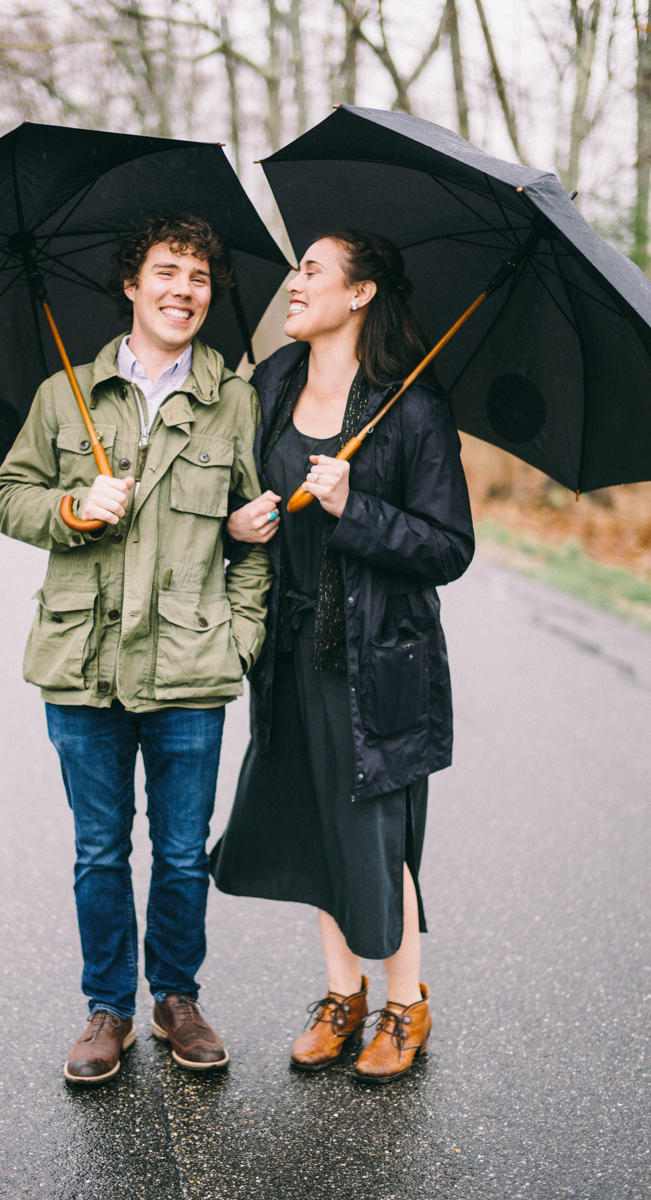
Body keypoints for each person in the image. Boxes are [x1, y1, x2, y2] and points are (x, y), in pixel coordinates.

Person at [0, 214, 271, 1084]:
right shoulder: (62, 392)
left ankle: (175, 998)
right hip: (81, 665)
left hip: (192, 665)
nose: (183, 289)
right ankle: (107, 1008)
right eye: (167, 271)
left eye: (198, 276)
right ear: (131, 283)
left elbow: (254, 535)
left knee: (185, 852)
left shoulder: (235, 399)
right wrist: (73, 509)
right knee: (99, 850)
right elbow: (8, 497)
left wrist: (240, 640)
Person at [210, 230, 474, 1083]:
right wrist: (240, 523)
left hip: (378, 660)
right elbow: (253, 496)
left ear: (359, 295)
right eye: (297, 269)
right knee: (315, 821)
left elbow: (448, 548)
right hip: (288, 647)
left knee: (376, 832)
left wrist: (357, 508)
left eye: (312, 271)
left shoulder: (414, 408)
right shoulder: (272, 381)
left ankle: (406, 1004)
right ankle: (342, 995)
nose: (294, 283)